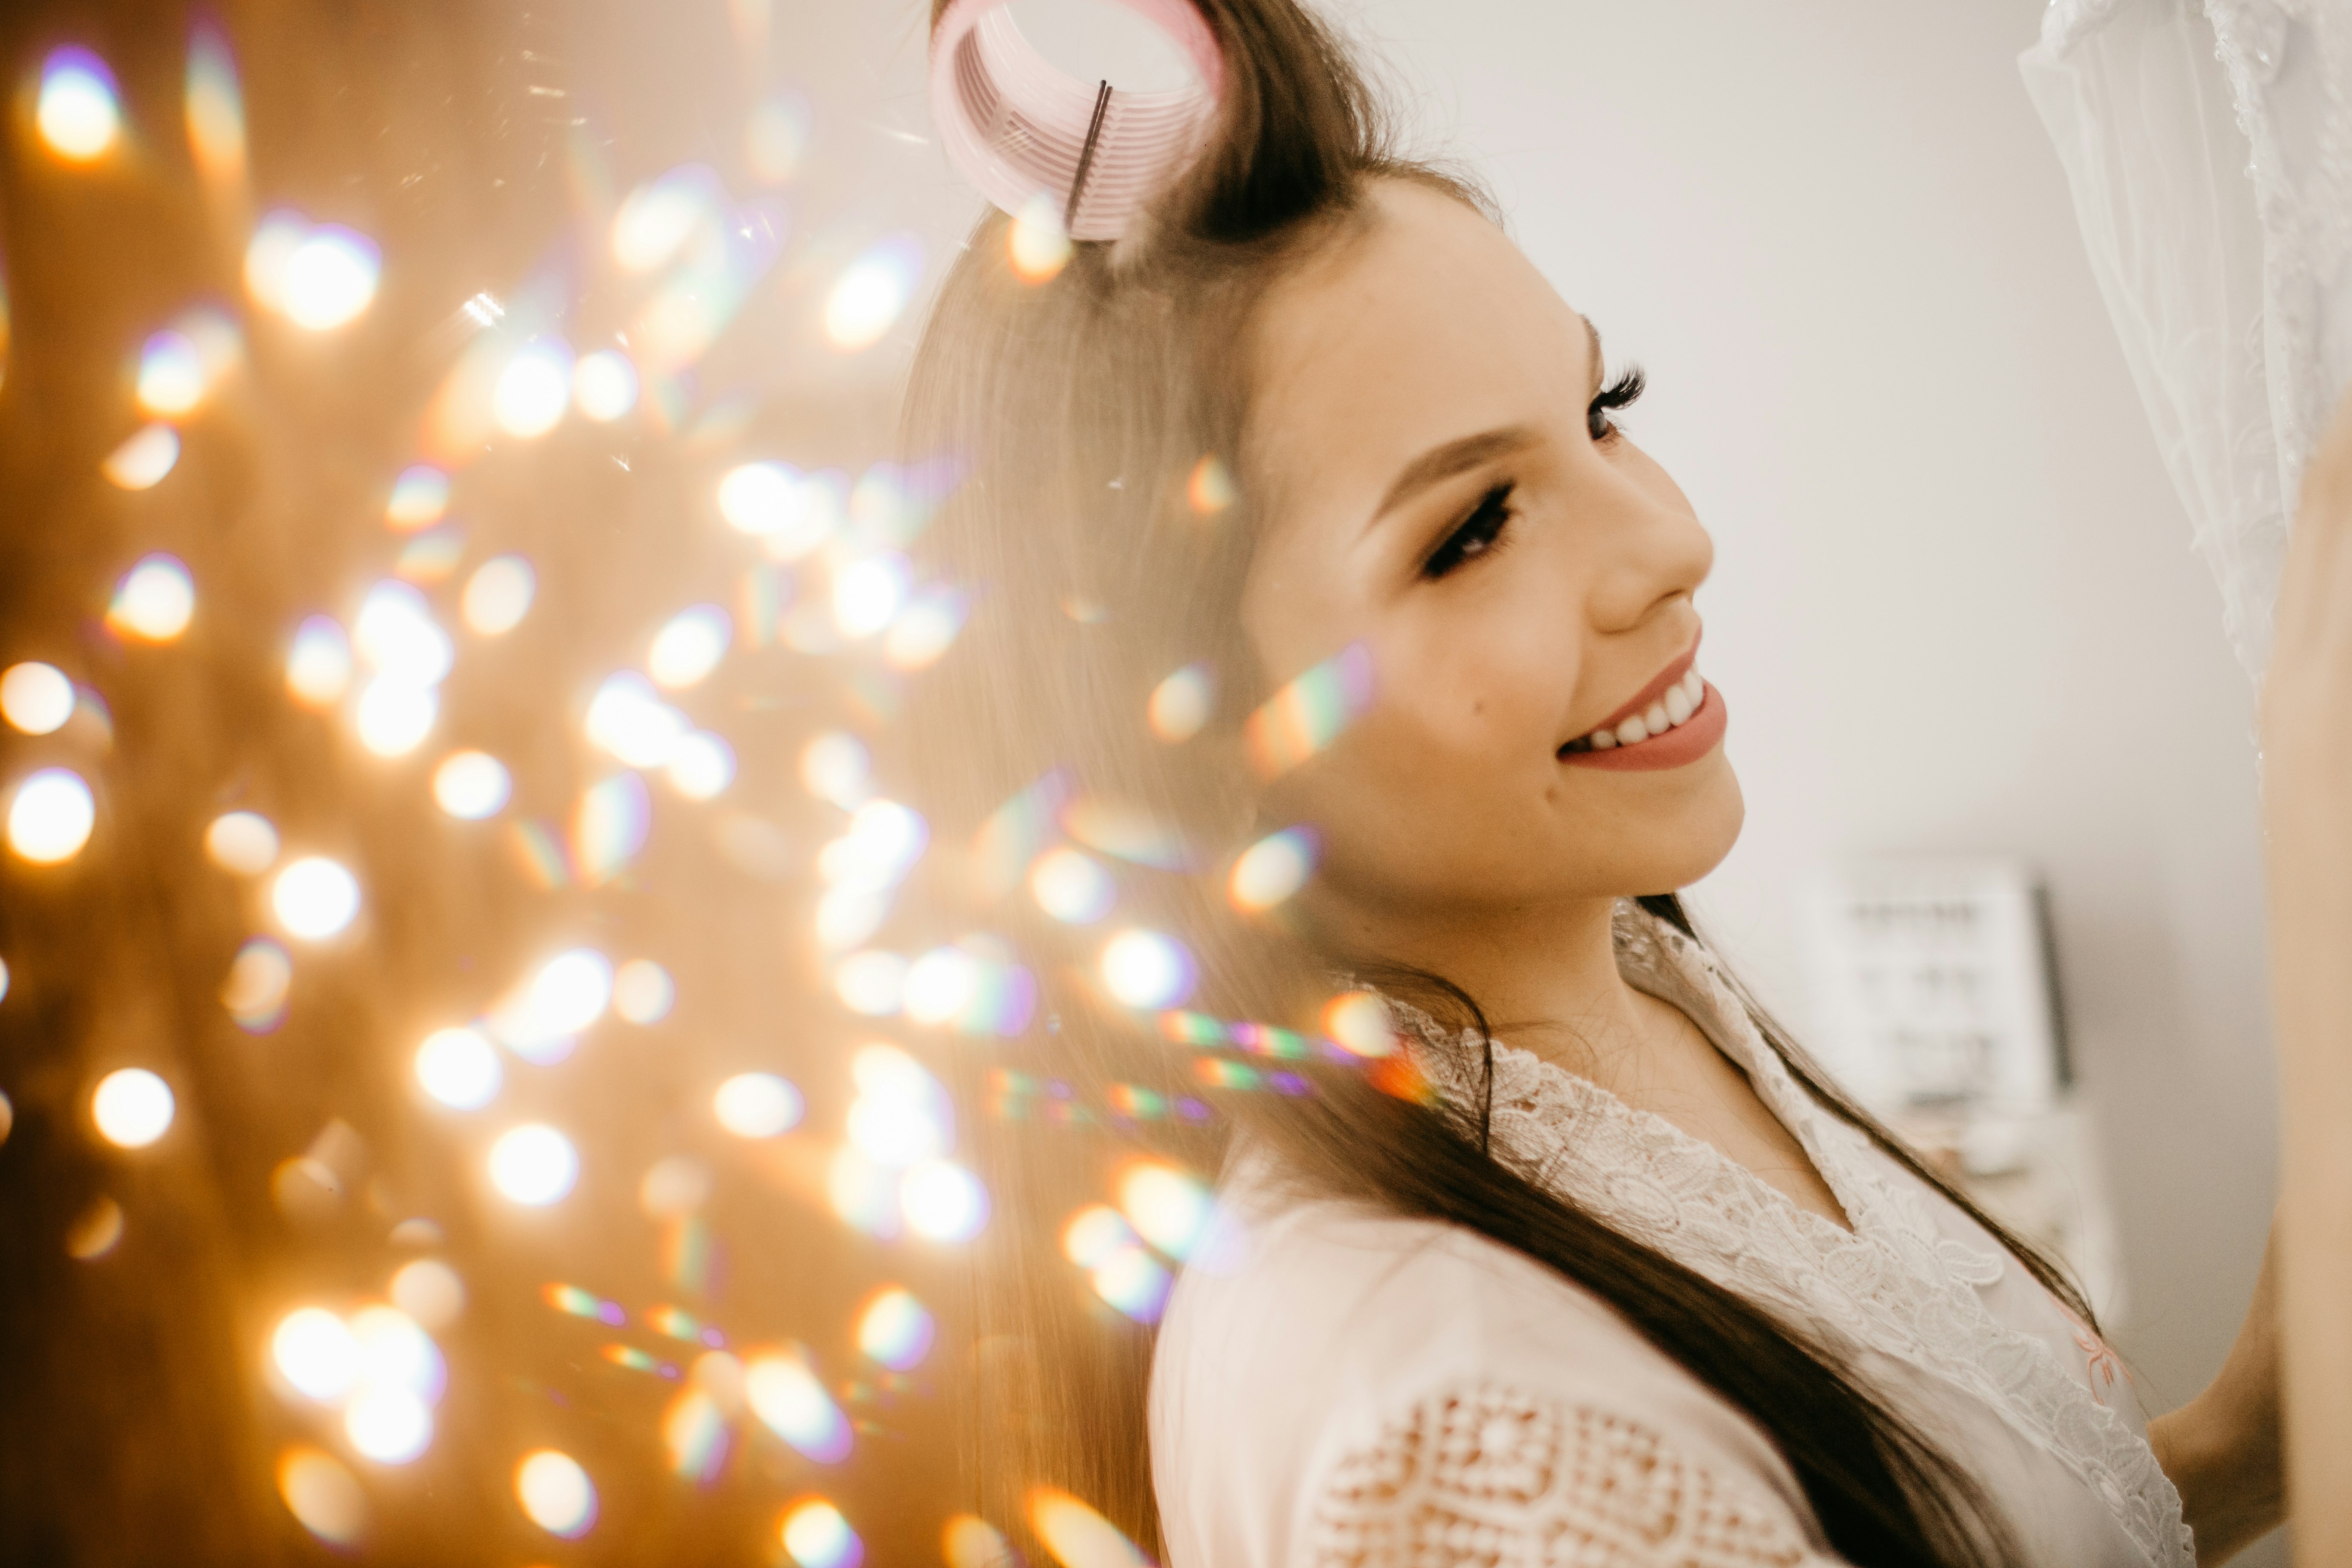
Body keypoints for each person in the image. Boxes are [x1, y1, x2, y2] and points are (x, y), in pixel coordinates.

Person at [903, 1, 2288, 1563]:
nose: (1671, 545)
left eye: (1603, 412)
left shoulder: (1611, 983)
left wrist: (2246, 1437)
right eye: (1475, 527)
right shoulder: (1468, 1441)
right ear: (1184, 744)